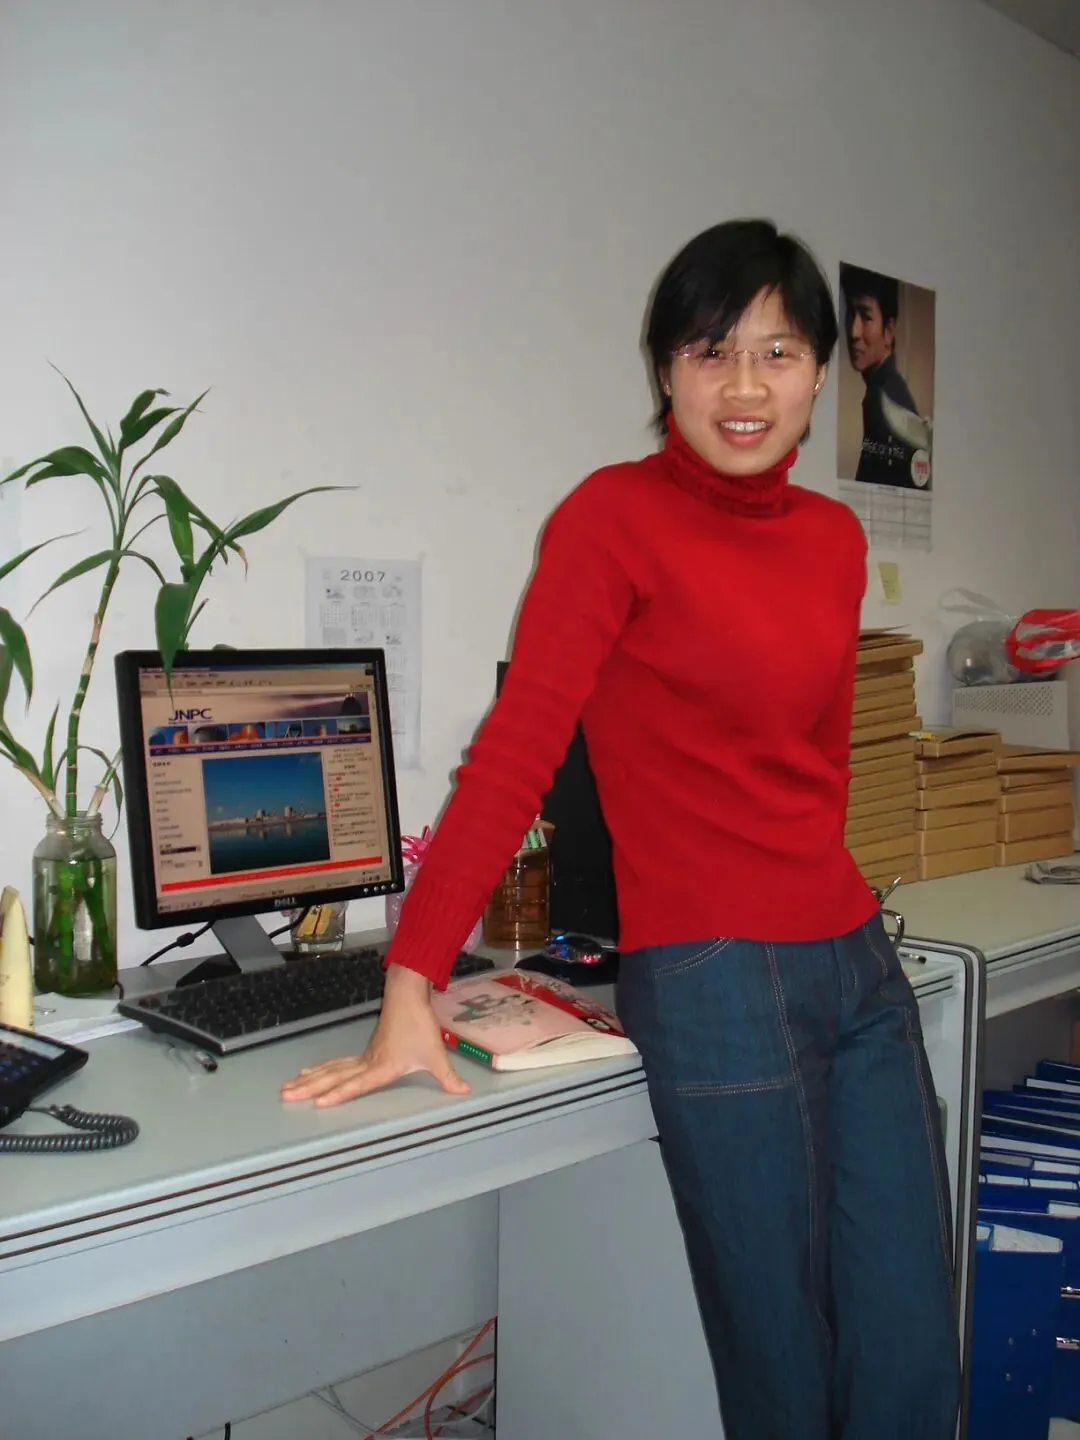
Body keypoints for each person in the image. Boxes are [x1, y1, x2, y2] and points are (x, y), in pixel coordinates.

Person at [282, 220, 961, 1439]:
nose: (744, 386)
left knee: (913, 1348)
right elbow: (517, 754)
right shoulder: (611, 520)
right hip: (716, 975)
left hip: (857, 961)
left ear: (820, 375)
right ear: (665, 370)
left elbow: (818, 764)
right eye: (711, 352)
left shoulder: (834, 539)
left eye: (777, 353)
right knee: (784, 1366)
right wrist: (409, 980)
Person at [840, 263, 927, 488]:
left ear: (888, 331)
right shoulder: (887, 393)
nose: (853, 332)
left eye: (866, 316)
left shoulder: (886, 402)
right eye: (851, 313)